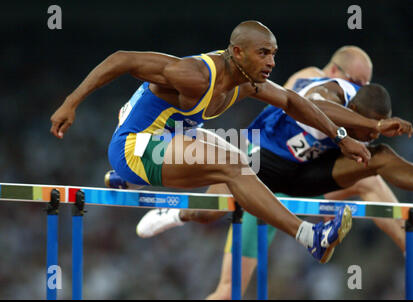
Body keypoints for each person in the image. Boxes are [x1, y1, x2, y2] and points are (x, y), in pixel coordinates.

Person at [51, 20, 384, 265]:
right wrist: (71, 102)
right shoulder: (195, 75)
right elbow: (122, 58)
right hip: (135, 145)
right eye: (263, 53)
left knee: (241, 158)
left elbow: (294, 102)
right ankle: (310, 237)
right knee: (234, 166)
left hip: (172, 139)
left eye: (274, 54)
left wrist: (341, 137)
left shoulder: (247, 82)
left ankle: (130, 183)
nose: (271, 62)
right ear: (237, 52)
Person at [131, 48, 413, 298]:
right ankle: (176, 213)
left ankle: (408, 250)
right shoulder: (317, 82)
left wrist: (367, 131)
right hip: (259, 161)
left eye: (365, 83)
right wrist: (367, 127)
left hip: (306, 171)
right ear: (336, 72)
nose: (361, 86)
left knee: (371, 173)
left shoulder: (361, 103)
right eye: (358, 80)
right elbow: (303, 104)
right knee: (227, 279)